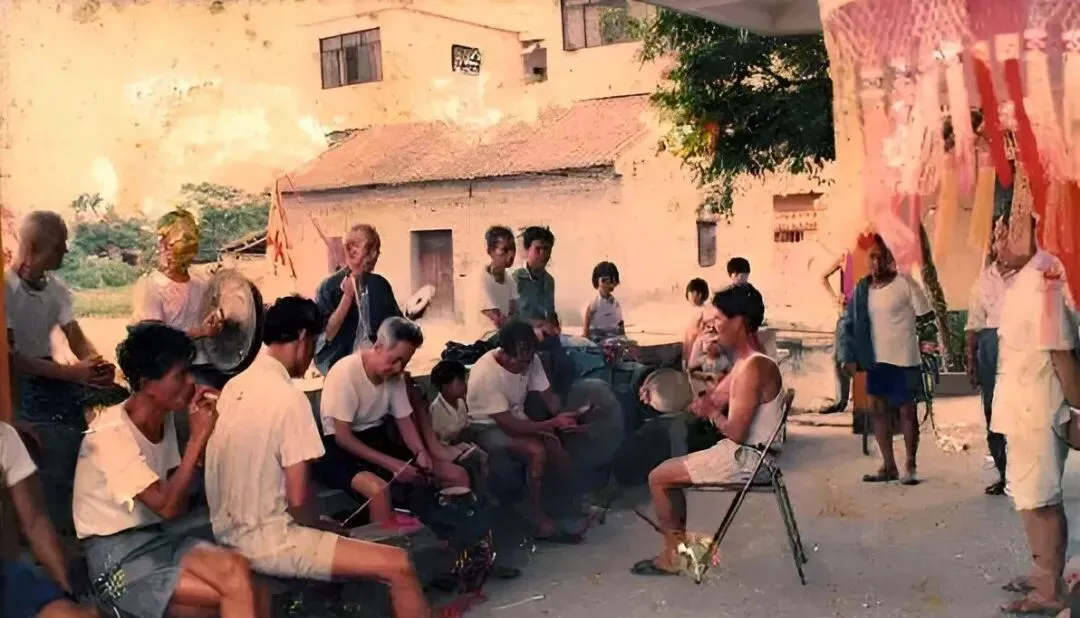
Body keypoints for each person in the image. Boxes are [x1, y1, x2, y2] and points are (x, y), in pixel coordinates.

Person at [205, 296, 431, 617]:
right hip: (272, 540)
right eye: (314, 343)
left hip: (226, 532)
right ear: (302, 337)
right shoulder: (289, 399)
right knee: (399, 564)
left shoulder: (234, 387)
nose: (313, 354)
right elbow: (298, 501)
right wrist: (322, 526)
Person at [72, 322, 264, 618]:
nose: (191, 382)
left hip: (159, 538)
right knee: (237, 590)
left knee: (245, 578)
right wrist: (197, 439)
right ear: (146, 383)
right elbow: (168, 506)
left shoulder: (165, 418)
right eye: (180, 375)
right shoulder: (110, 433)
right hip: (116, 560)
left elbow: (178, 500)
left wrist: (210, 427)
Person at [631, 283, 783, 576]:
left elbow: (734, 431)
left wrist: (711, 412)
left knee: (659, 478)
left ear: (739, 322)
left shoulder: (753, 368)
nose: (713, 326)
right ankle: (677, 551)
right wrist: (659, 394)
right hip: (753, 456)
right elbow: (708, 399)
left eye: (719, 319)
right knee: (667, 472)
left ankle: (673, 557)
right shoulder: (747, 363)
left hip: (750, 460)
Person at [989, 214, 1080, 615]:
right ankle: (1043, 570)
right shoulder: (1024, 277)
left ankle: (1049, 587)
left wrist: (1078, 411)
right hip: (1020, 407)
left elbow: (1062, 354)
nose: (998, 242)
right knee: (1028, 495)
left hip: (1038, 410)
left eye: (1005, 232)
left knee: (1041, 499)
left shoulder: (1045, 276)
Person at [6, 211, 116, 536]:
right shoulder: (5, 291)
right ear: (34, 247)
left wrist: (96, 364)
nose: (65, 251)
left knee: (94, 431)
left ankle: (83, 522)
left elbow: (76, 338)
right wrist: (72, 374)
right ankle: (51, 532)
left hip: (50, 377)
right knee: (52, 447)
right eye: (59, 244)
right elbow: (10, 360)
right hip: (13, 385)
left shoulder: (56, 289)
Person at [314, 317, 469, 503]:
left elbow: (404, 420)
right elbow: (343, 438)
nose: (398, 368)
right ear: (378, 347)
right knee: (385, 490)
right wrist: (393, 464)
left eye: (404, 363)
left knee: (455, 474)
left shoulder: (395, 377)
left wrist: (421, 452)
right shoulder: (345, 373)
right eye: (395, 360)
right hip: (343, 449)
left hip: (378, 439)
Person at [466, 320, 585, 542]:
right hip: (486, 426)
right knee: (536, 451)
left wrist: (568, 416)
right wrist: (552, 423)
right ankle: (537, 520)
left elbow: (548, 397)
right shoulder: (486, 375)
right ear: (504, 354)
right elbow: (510, 425)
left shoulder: (530, 359)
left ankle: (569, 504)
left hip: (516, 418)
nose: (525, 366)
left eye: (529, 360)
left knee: (556, 447)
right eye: (521, 362)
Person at [839, 234, 937, 485]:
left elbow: (926, 319)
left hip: (905, 359)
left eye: (881, 257)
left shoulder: (906, 284)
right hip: (875, 360)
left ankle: (910, 465)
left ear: (891, 259)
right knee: (877, 410)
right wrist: (847, 356)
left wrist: (929, 350)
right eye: (872, 257)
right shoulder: (862, 290)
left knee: (907, 412)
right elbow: (848, 323)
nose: (876, 262)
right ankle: (889, 465)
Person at [1, 422, 98, 618]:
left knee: (75, 615)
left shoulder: (4, 437)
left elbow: (34, 522)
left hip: (5, 576)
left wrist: (66, 591)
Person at [132, 209, 223, 361]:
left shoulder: (203, 281)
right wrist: (200, 332)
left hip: (205, 363)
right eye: (184, 239)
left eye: (193, 238)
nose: (191, 244)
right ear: (163, 244)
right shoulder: (151, 286)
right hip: (169, 366)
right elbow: (153, 340)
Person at [964, 239, 1017, 496]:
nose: (1002, 242)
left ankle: (1025, 474)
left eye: (1009, 235)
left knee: (1022, 411)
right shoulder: (983, 280)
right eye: (998, 237)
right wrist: (971, 362)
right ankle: (1004, 473)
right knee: (993, 411)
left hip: (1020, 347)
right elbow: (973, 324)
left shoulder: (1029, 276)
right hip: (990, 348)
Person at [314, 224, 402, 374]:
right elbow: (324, 337)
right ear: (350, 251)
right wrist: (347, 297)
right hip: (340, 370)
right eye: (370, 248)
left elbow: (396, 327)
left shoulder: (380, 285)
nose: (375, 255)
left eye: (377, 249)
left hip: (376, 371)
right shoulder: (329, 287)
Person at [818, 251, 855, 414]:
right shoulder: (846, 256)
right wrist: (835, 298)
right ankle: (841, 402)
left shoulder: (872, 256)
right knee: (839, 358)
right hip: (847, 312)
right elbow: (823, 277)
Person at [474, 226, 519, 338]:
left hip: (504, 337)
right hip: (485, 340)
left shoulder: (509, 279)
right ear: (490, 252)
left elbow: (516, 311)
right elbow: (498, 320)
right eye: (504, 250)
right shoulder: (481, 278)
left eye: (512, 248)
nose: (511, 254)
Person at [582, 261, 625, 342]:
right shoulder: (594, 302)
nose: (607, 285)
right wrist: (585, 334)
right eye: (604, 280)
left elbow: (620, 323)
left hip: (612, 337)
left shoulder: (615, 303)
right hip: (597, 337)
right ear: (597, 281)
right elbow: (587, 319)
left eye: (610, 281)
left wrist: (623, 337)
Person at [682, 278, 710, 370]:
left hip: (697, 356)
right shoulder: (708, 310)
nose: (687, 296)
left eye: (689, 293)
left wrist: (685, 359)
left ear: (698, 294)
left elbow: (691, 338)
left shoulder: (700, 313)